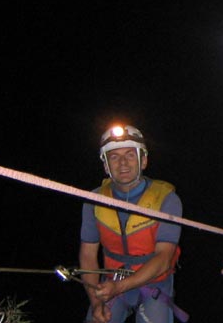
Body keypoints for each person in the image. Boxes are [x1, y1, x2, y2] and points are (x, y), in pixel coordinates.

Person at [79, 124, 186, 323]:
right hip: (112, 280)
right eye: (114, 157)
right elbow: (87, 255)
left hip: (155, 282)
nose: (122, 164)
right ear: (106, 166)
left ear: (143, 160)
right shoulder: (93, 201)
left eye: (130, 155)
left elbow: (164, 258)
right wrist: (95, 302)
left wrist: (119, 287)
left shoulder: (167, 200)